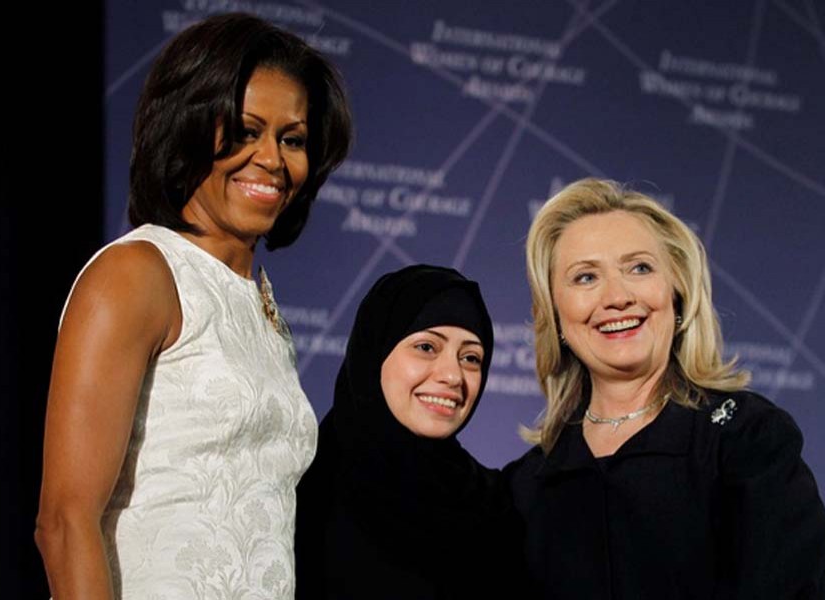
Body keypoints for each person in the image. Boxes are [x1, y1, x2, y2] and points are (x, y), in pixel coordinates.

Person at [35, 13, 352, 599]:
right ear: (186, 125)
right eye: (245, 129)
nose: (272, 160)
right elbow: (64, 520)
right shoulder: (136, 274)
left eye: (293, 138)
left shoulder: (262, 306)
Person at [506, 178, 825, 599]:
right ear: (554, 314)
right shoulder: (527, 488)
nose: (617, 296)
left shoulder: (748, 441)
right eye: (586, 277)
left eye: (639, 268)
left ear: (676, 292)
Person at [295, 264, 527, 599]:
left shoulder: (496, 506)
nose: (452, 375)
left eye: (471, 358)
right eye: (427, 347)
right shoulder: (302, 495)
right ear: (375, 352)